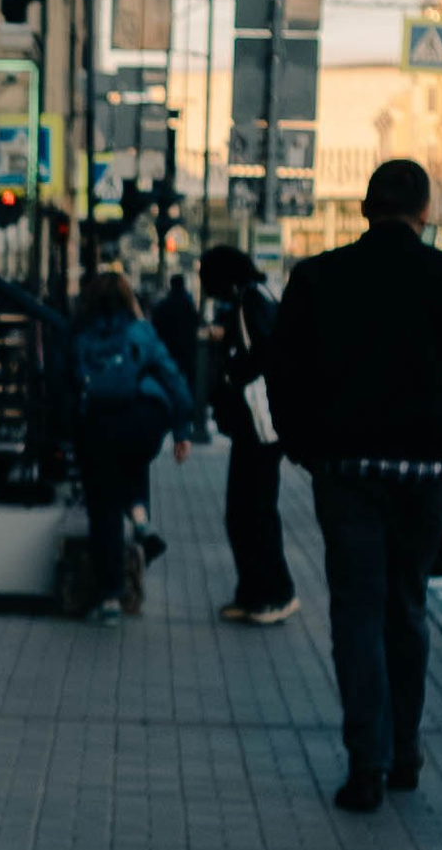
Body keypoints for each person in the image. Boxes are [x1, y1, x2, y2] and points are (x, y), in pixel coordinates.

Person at [264, 155, 442, 812]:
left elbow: (281, 370)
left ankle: (363, 765)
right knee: (408, 605)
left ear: (367, 209)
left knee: (356, 612)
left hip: (346, 473)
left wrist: (301, 445)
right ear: (425, 212)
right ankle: (406, 750)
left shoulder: (318, 278)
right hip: (424, 473)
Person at [69, 267, 195, 622]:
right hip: (142, 422)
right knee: (131, 457)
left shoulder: (79, 335)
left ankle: (110, 598)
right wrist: (182, 430)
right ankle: (141, 519)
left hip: (97, 425)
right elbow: (172, 377)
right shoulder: (141, 332)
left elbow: (65, 384)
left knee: (104, 510)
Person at [202, 243, 296, 626]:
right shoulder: (257, 297)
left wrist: (234, 370)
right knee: (247, 511)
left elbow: (265, 353)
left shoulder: (252, 302)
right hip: (259, 428)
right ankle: (255, 592)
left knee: (252, 511)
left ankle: (276, 593)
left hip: (260, 427)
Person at [155, 271, 207, 443]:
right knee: (190, 384)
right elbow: (196, 325)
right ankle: (188, 415)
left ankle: (170, 413)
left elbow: (157, 327)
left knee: (168, 383)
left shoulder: (164, 305)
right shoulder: (188, 305)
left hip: (169, 351)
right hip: (187, 352)